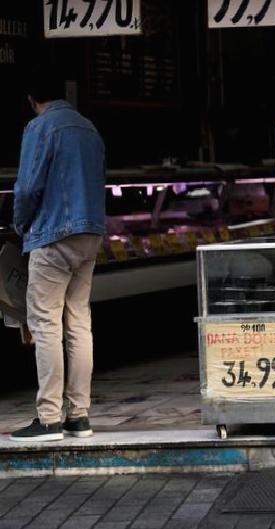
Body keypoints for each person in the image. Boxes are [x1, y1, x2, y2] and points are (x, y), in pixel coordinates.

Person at [10, 68, 106, 442]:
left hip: (53, 235)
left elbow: (28, 187)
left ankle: (48, 417)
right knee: (79, 323)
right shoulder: (89, 128)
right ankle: (79, 416)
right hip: (90, 234)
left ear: (32, 99)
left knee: (46, 324)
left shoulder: (41, 128)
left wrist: (20, 225)